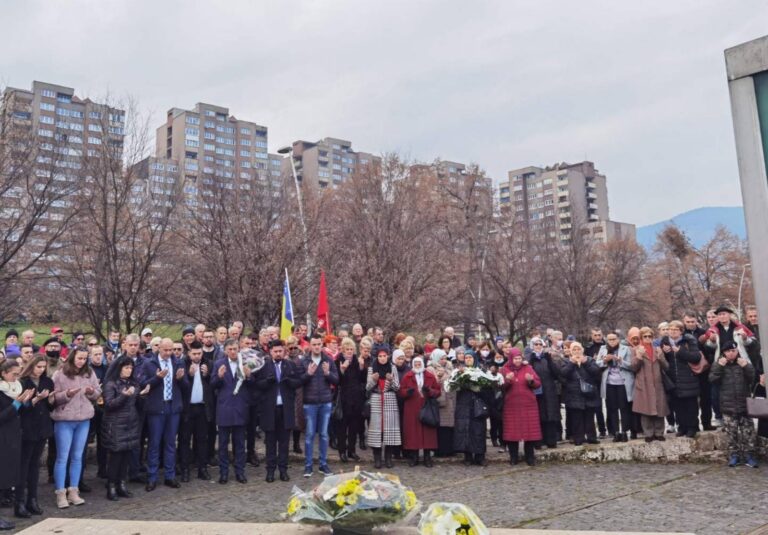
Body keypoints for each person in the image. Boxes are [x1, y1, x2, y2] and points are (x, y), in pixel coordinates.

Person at [51, 347, 101, 508]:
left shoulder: (90, 373)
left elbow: (98, 393)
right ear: (72, 357)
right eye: (79, 358)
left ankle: (74, 491)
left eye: (85, 358)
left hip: (84, 418)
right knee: (62, 457)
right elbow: (53, 398)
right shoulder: (60, 374)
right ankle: (60, 493)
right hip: (65, 419)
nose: (82, 361)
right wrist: (67, 394)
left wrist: (91, 391)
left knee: (78, 456)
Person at [140, 338, 188, 491]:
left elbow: (186, 386)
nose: (168, 353)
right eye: (165, 350)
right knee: (154, 443)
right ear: (158, 348)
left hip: (173, 407)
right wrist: (157, 378)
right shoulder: (149, 363)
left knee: (170, 443)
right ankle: (152, 477)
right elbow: (143, 384)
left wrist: (180, 379)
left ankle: (170, 475)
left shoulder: (178, 362)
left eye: (171, 350)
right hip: (156, 408)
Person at [254, 339, 302, 482]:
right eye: (275, 351)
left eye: (280, 351)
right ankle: (270, 470)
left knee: (284, 442)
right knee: (270, 442)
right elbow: (256, 385)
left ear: (284, 351)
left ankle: (283, 469)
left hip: (285, 409)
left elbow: (298, 382)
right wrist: (267, 382)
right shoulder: (264, 366)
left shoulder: (290, 365)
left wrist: (289, 381)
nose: (278, 354)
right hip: (269, 409)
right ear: (270, 352)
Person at [101, 356, 145, 501]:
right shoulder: (111, 384)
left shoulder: (133, 383)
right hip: (115, 424)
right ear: (119, 368)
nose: (129, 370)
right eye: (126, 368)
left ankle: (122, 484)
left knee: (126, 455)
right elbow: (109, 404)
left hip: (130, 423)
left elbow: (136, 402)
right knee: (116, 456)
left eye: (131, 368)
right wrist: (124, 396)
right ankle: (111, 485)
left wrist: (142, 395)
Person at [210, 339, 253, 484]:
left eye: (235, 349)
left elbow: (253, 385)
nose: (233, 352)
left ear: (239, 349)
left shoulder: (245, 363)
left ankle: (240, 472)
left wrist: (248, 376)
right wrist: (219, 377)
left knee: (240, 444)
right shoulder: (218, 364)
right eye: (230, 349)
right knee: (223, 444)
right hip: (224, 409)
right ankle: (223, 473)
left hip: (240, 407)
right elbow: (213, 384)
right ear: (226, 350)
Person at [709, 341, 758, 467]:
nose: (731, 353)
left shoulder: (742, 363)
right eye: (728, 351)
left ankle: (749, 456)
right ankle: (734, 456)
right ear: (724, 353)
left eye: (733, 351)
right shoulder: (718, 364)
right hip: (728, 405)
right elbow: (712, 379)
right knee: (732, 434)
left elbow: (753, 378)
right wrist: (719, 367)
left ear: (737, 351)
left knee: (748, 433)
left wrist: (746, 366)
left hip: (744, 405)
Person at [16, 356, 53, 518]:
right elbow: (19, 409)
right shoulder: (23, 382)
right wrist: (35, 400)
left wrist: (51, 399)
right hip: (27, 428)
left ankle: (33, 499)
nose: (41, 370)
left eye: (43, 367)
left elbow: (50, 407)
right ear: (31, 366)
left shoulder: (47, 382)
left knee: (35, 465)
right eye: (38, 366)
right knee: (24, 465)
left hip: (42, 427)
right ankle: (19, 502)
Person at [0, 359, 34, 531]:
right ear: (3, 374)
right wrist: (17, 403)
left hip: (13, 436)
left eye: (17, 374)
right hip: (2, 438)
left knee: (6, 476)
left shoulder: (16, 388)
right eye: (13, 374)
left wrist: (27, 401)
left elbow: (19, 411)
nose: (16, 377)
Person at [299, 334, 339, 478]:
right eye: (314, 344)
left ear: (322, 345)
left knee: (323, 434)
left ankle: (323, 464)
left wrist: (328, 373)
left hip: (325, 402)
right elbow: (299, 381)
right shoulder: (304, 361)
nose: (316, 347)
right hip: (309, 403)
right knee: (309, 435)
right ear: (309, 345)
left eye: (319, 344)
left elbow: (336, 379)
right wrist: (308, 374)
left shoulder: (328, 360)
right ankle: (308, 466)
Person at [179, 341, 213, 482]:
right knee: (185, 440)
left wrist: (208, 375)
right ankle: (185, 470)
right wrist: (189, 375)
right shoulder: (183, 364)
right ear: (189, 353)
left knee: (202, 440)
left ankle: (202, 469)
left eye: (199, 353)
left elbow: (214, 385)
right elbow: (180, 386)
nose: (197, 356)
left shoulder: (209, 364)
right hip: (187, 409)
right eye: (194, 354)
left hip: (203, 408)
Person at [662, 321, 702, 438]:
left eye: (676, 329)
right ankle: (682, 427)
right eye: (670, 329)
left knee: (691, 405)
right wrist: (664, 353)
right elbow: (663, 362)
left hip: (688, 378)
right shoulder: (664, 342)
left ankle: (692, 428)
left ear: (681, 331)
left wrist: (680, 352)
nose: (672, 331)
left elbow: (696, 357)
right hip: (673, 379)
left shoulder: (688, 341)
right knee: (678, 406)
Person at [501, 348, 542, 466]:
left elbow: (538, 383)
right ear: (511, 359)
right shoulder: (504, 369)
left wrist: (531, 381)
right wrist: (507, 380)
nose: (518, 361)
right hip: (511, 405)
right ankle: (513, 457)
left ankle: (530, 457)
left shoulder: (528, 368)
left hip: (528, 405)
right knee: (512, 433)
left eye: (519, 358)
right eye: (515, 358)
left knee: (529, 432)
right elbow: (500, 386)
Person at [399, 356, 440, 467]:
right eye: (415, 364)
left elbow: (438, 391)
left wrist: (430, 391)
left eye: (419, 363)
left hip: (427, 407)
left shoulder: (430, 376)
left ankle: (427, 457)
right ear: (413, 364)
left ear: (422, 364)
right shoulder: (407, 377)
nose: (417, 365)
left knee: (427, 433)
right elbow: (401, 391)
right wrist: (408, 392)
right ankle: (414, 457)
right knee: (413, 433)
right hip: (412, 408)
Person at [629, 327, 669, 442]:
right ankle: (648, 433)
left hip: (657, 383)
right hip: (644, 384)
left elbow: (666, 366)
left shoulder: (657, 349)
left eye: (649, 336)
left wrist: (661, 356)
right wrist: (639, 357)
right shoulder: (635, 350)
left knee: (659, 408)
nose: (647, 338)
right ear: (641, 338)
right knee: (646, 410)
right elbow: (633, 368)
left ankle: (659, 432)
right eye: (645, 336)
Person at [596, 332, 635, 442]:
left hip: (623, 382)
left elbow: (632, 365)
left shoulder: (626, 349)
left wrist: (620, 361)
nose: (612, 341)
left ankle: (625, 432)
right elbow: (596, 363)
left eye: (614, 339)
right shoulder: (603, 349)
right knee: (612, 408)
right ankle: (615, 432)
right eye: (609, 339)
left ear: (618, 339)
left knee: (624, 408)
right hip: (609, 383)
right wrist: (605, 361)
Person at [366, 348, 401, 469]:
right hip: (376, 399)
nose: (382, 358)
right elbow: (367, 387)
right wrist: (373, 380)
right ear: (377, 357)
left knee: (389, 431)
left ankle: (388, 459)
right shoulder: (371, 368)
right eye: (380, 356)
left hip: (390, 399)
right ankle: (377, 459)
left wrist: (391, 380)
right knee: (377, 431)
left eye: (384, 356)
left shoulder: (393, 368)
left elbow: (397, 387)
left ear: (388, 356)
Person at [562, 342, 601, 446]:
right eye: (574, 350)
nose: (576, 352)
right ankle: (578, 438)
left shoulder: (589, 360)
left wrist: (585, 362)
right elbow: (563, 374)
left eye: (578, 349)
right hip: (574, 393)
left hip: (589, 393)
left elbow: (596, 372)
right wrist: (572, 363)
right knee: (576, 418)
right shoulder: (566, 361)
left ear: (582, 350)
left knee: (589, 417)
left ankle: (592, 437)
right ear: (570, 351)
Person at [335, 337, 367, 463]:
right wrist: (342, 370)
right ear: (342, 350)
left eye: (351, 349)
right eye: (347, 349)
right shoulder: (338, 360)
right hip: (344, 398)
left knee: (354, 426)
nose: (349, 351)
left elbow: (362, 379)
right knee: (343, 427)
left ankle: (352, 451)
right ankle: (342, 451)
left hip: (356, 398)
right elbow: (336, 380)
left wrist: (361, 367)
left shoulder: (356, 361)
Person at [526, 339, 562, 449]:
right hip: (536, 391)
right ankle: (539, 441)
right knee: (538, 416)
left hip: (549, 390)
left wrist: (549, 360)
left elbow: (557, 374)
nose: (538, 346)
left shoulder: (547, 357)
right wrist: (531, 361)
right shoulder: (529, 358)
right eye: (535, 344)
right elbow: (528, 373)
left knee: (550, 415)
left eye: (540, 344)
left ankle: (551, 440)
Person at [427, 349, 455, 457]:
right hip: (438, 401)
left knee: (448, 427)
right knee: (440, 427)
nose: (444, 361)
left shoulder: (449, 367)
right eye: (441, 359)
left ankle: (449, 449)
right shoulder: (430, 369)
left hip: (449, 400)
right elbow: (430, 384)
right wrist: (438, 378)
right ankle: (439, 450)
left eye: (445, 358)